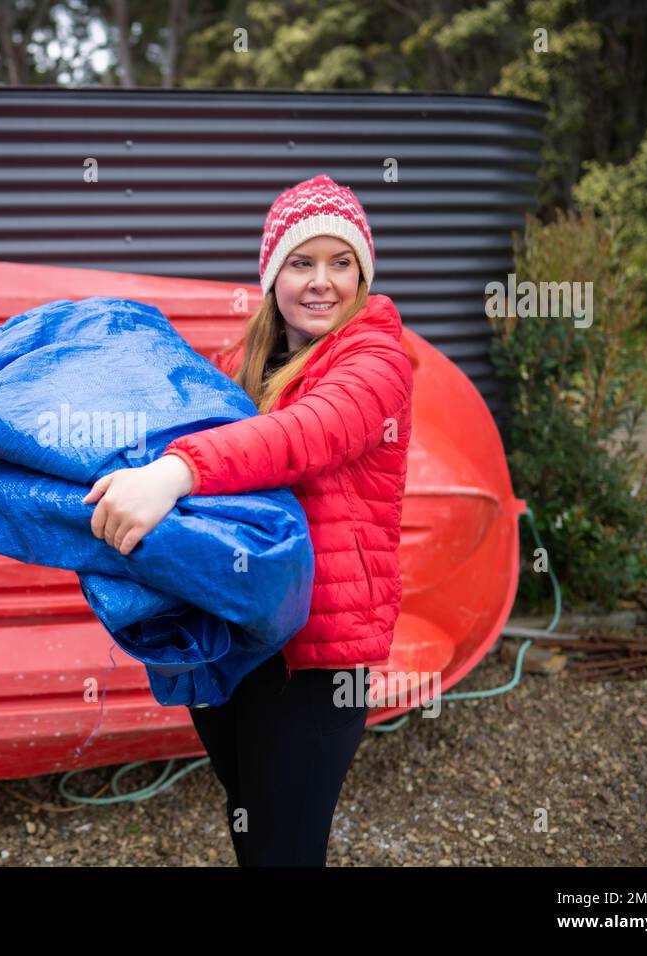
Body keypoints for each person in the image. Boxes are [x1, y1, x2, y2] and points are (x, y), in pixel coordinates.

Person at [82, 174, 413, 866]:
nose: (321, 282)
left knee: (283, 853)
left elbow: (302, 435)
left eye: (340, 262)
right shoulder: (239, 366)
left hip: (317, 657)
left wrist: (175, 472)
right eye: (301, 262)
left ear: (362, 273)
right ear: (272, 274)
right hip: (236, 639)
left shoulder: (377, 360)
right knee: (254, 839)